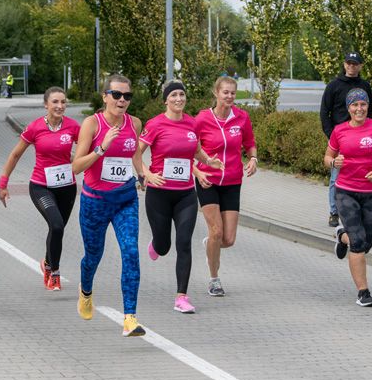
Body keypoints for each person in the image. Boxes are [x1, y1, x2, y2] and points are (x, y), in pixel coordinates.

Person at [138, 79, 223, 313]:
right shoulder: (155, 124)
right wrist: (146, 175)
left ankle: (181, 297)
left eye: (182, 95)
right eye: (173, 95)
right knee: (164, 246)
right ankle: (156, 244)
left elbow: (194, 150)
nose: (178, 99)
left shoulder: (192, 123)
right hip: (159, 195)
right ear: (166, 100)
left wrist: (207, 161)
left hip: (185, 194)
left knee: (184, 243)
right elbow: (136, 152)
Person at [72, 74, 145, 337]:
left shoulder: (134, 123)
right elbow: (77, 166)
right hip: (95, 202)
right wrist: (101, 148)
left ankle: (130, 318)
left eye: (127, 96)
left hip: (125, 199)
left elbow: (134, 151)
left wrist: (142, 173)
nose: (122, 100)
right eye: (117, 95)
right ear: (105, 96)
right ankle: (86, 291)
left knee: (131, 252)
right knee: (93, 256)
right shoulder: (92, 124)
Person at [324, 88, 372, 307]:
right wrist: (333, 163)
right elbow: (327, 157)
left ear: (368, 106)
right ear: (348, 108)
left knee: (365, 244)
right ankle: (363, 292)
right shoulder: (339, 131)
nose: (359, 109)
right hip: (346, 191)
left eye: (363, 104)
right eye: (354, 105)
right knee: (358, 243)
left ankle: (341, 236)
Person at [0, 87, 80, 290]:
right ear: (46, 105)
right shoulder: (35, 127)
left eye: (63, 102)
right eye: (55, 102)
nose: (60, 106)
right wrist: (3, 183)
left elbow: (86, 150)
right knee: (56, 225)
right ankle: (54, 272)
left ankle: (46, 262)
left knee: (58, 229)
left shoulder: (73, 126)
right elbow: (15, 154)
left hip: (67, 187)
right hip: (41, 186)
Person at [195, 76, 257, 298]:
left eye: (233, 92)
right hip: (207, 180)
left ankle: (210, 244)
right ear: (216, 93)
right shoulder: (202, 119)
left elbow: (250, 143)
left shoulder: (242, 117)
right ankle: (214, 279)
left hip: (232, 181)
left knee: (228, 240)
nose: (230, 96)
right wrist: (197, 171)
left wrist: (253, 159)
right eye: (226, 92)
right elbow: (188, 148)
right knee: (217, 231)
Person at [319, 51, 372, 227]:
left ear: (360, 66)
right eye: (349, 63)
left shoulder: (364, 86)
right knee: (336, 176)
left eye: (355, 64)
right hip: (340, 139)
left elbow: (369, 111)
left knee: (361, 173)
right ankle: (334, 212)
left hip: (361, 139)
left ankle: (360, 209)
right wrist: (332, 135)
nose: (351, 66)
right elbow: (324, 112)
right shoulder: (334, 85)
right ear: (344, 65)